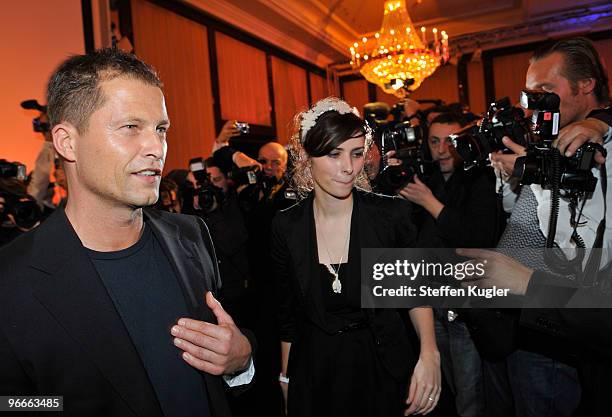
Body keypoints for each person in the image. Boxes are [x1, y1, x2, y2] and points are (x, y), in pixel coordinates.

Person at [0, 48, 254, 417]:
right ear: (67, 142)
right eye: (131, 128)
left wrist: (241, 360)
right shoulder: (11, 279)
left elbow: (230, 343)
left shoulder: (191, 235)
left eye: (161, 129)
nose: (157, 148)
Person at [469, 37, 612, 417]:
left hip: (566, 319)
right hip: (532, 319)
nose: (535, 104)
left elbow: (577, 246)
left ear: (586, 85)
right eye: (530, 93)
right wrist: (521, 175)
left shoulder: (598, 145)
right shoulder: (548, 141)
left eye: (546, 90)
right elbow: (525, 216)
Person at [272, 97, 441, 417]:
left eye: (356, 153)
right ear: (308, 157)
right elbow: (288, 315)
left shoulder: (389, 215)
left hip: (382, 365)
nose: (348, 167)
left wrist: (429, 353)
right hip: (317, 372)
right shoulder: (287, 226)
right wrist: (285, 378)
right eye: (334, 154)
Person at [396, 112, 499, 417]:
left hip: (465, 303)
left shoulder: (480, 178)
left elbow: (478, 239)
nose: (441, 150)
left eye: (449, 142)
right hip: (430, 299)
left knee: (471, 395)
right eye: (434, 141)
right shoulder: (425, 178)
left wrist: (429, 202)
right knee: (450, 389)